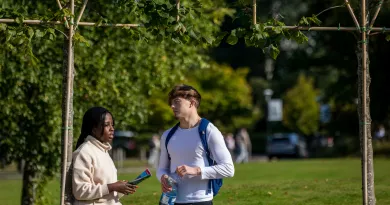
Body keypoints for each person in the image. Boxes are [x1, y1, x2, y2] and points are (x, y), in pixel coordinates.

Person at [157, 84, 235, 205]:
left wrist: (196, 170)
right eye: (171, 103)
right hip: (171, 201)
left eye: (177, 102)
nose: (172, 106)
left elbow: (228, 169)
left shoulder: (209, 131)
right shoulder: (167, 135)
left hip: (201, 201)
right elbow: (162, 169)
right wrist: (163, 178)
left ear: (192, 103)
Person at [72, 107, 138, 205]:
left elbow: (107, 190)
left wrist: (121, 187)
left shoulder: (103, 150)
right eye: (107, 125)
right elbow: (80, 191)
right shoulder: (84, 152)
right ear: (94, 129)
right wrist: (112, 187)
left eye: (112, 125)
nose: (112, 129)